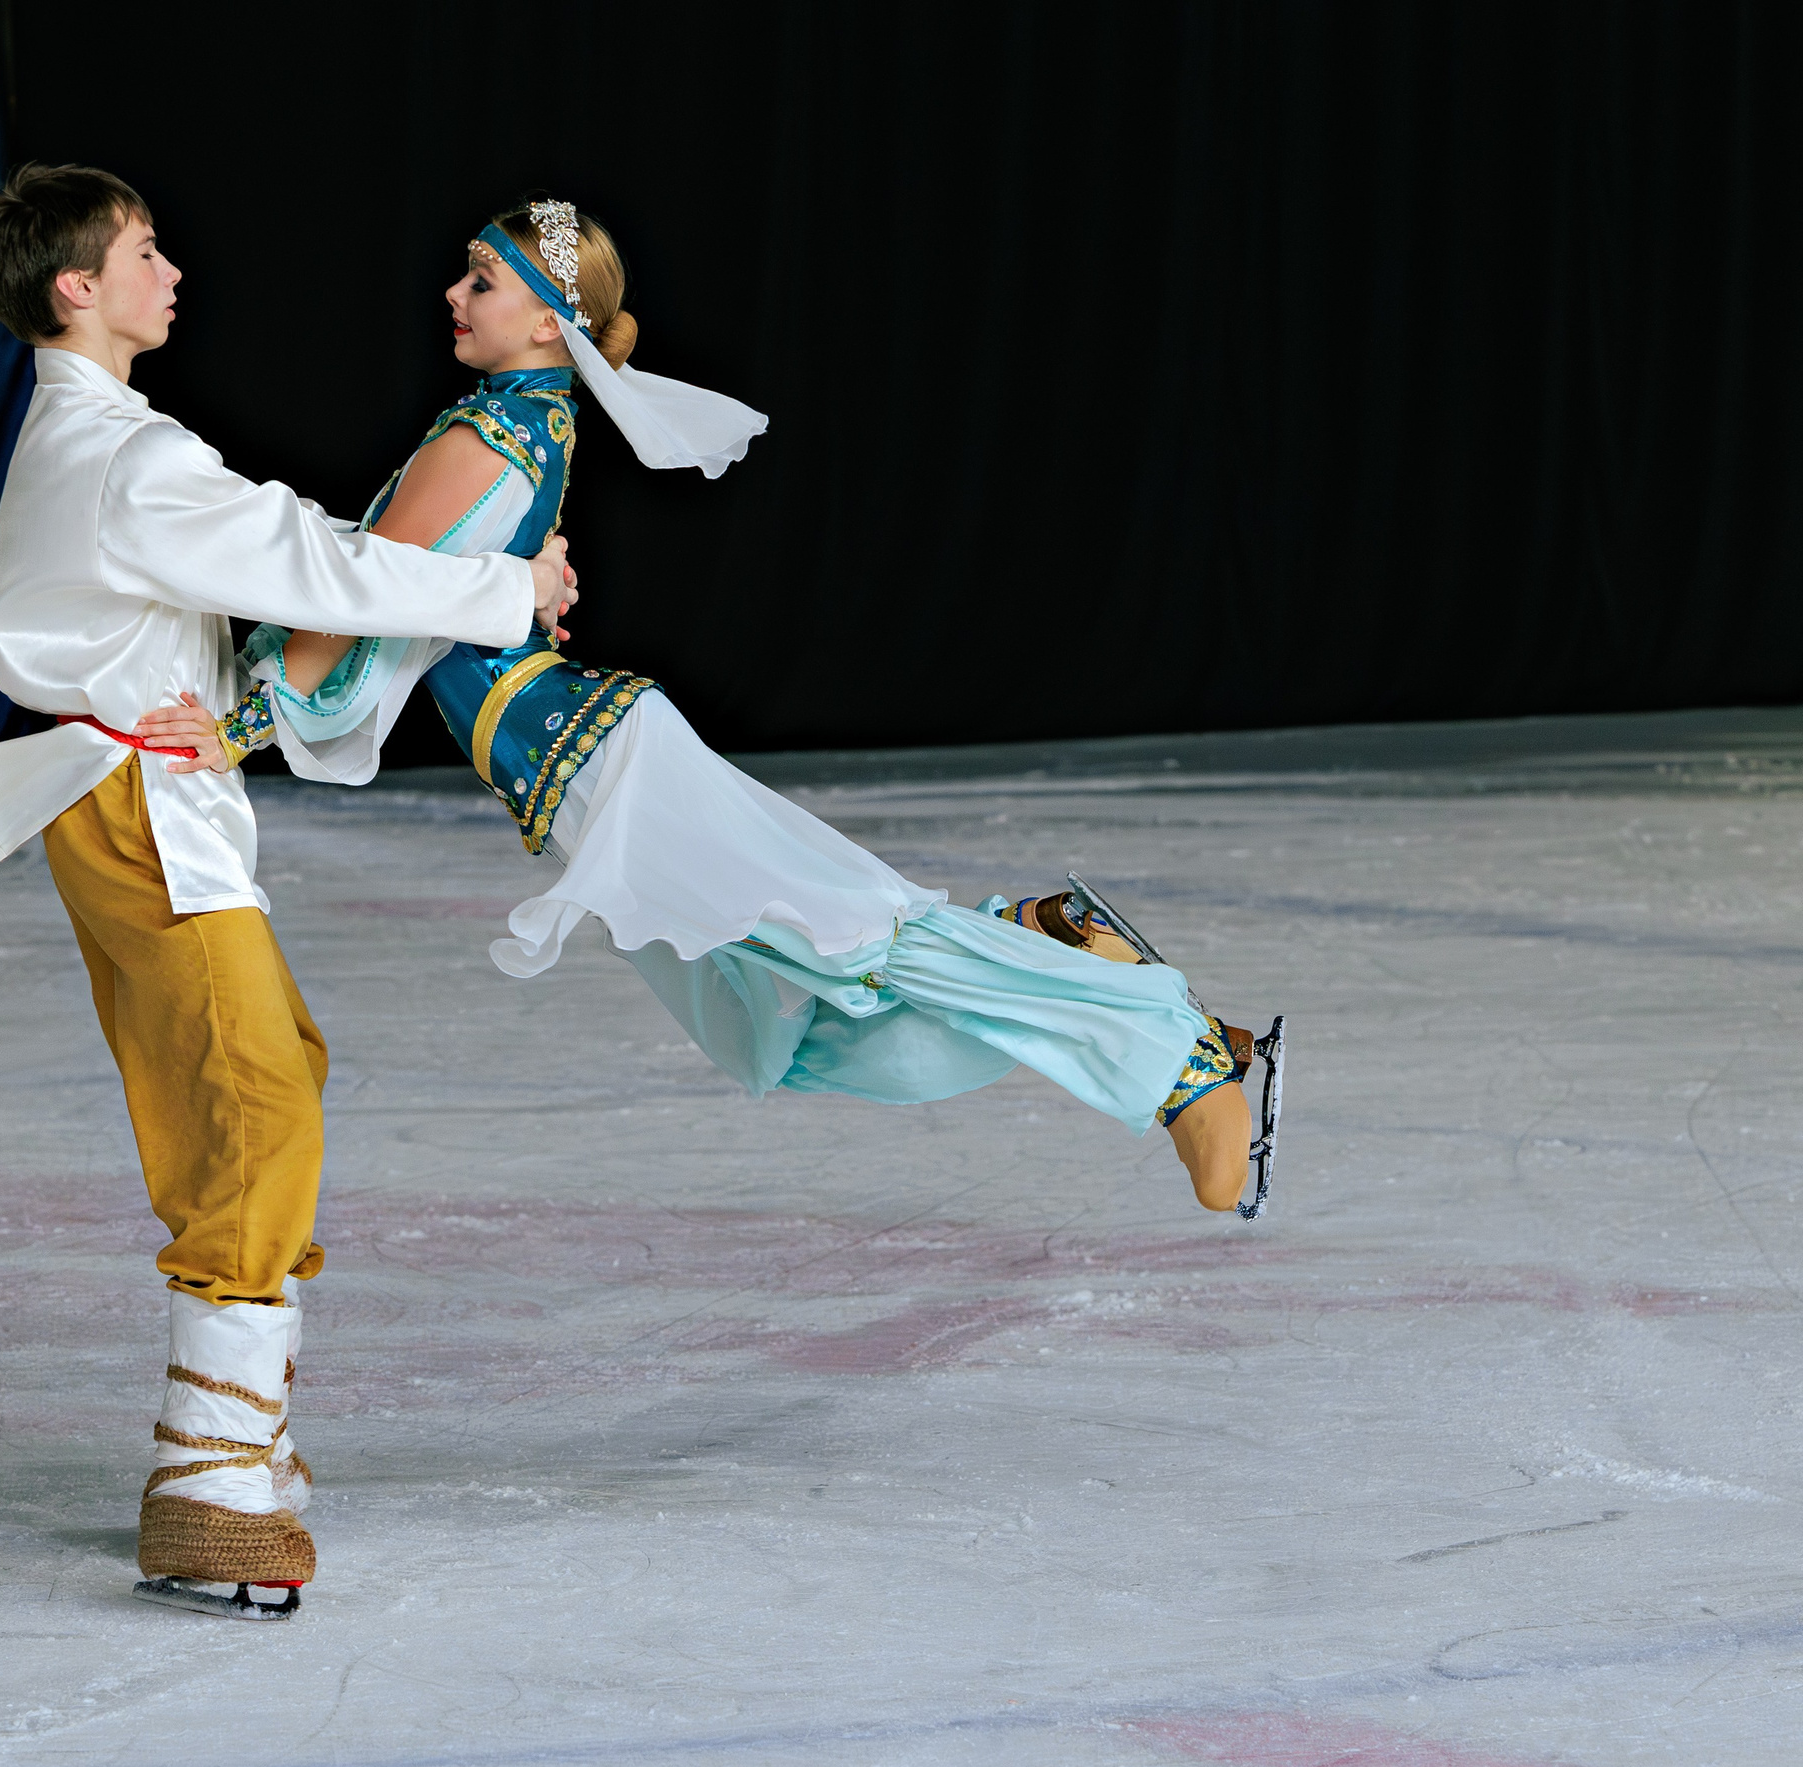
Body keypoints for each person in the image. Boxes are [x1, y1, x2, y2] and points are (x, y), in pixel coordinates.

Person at [136, 198, 1285, 1225]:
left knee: (856, 941)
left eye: (481, 279)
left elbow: (354, 597)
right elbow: (430, 581)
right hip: (575, 783)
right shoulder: (521, 423)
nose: (453, 292)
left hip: (612, 768)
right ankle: (1045, 936)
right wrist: (519, 588)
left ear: (549, 321)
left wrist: (235, 732)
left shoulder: (486, 433)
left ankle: (1183, 1059)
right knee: (778, 1036)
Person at [0, 166, 581, 1622]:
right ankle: (208, 1474)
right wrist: (501, 591)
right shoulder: (121, 458)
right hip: (135, 807)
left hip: (150, 794)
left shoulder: (103, 441)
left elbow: (251, 586)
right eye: (144, 250)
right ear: (76, 287)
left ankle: (238, 1436)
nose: (172, 267)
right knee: (250, 1095)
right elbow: (308, 558)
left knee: (271, 1071)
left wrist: (239, 709)